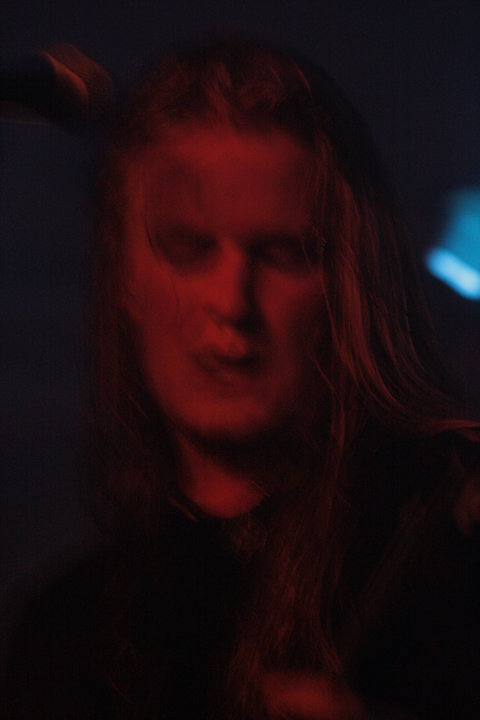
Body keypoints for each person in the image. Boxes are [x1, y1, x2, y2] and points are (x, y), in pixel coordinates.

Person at [3, 38, 480, 720]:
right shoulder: (64, 637)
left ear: (347, 285)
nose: (232, 301)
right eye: (188, 248)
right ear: (122, 276)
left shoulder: (451, 551)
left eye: (284, 253)